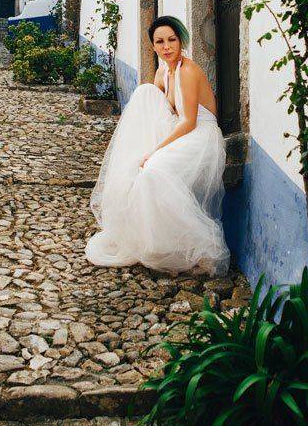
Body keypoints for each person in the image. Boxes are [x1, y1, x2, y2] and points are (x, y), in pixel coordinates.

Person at [85, 15, 230, 275]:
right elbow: (156, 106)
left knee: (153, 171)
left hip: (201, 134)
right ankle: (159, 243)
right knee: (145, 93)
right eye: (160, 42)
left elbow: (187, 121)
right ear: (153, 46)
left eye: (172, 40)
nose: (166, 47)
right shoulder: (164, 71)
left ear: (181, 41)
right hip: (182, 131)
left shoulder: (187, 70)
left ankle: (198, 246)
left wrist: (155, 151)